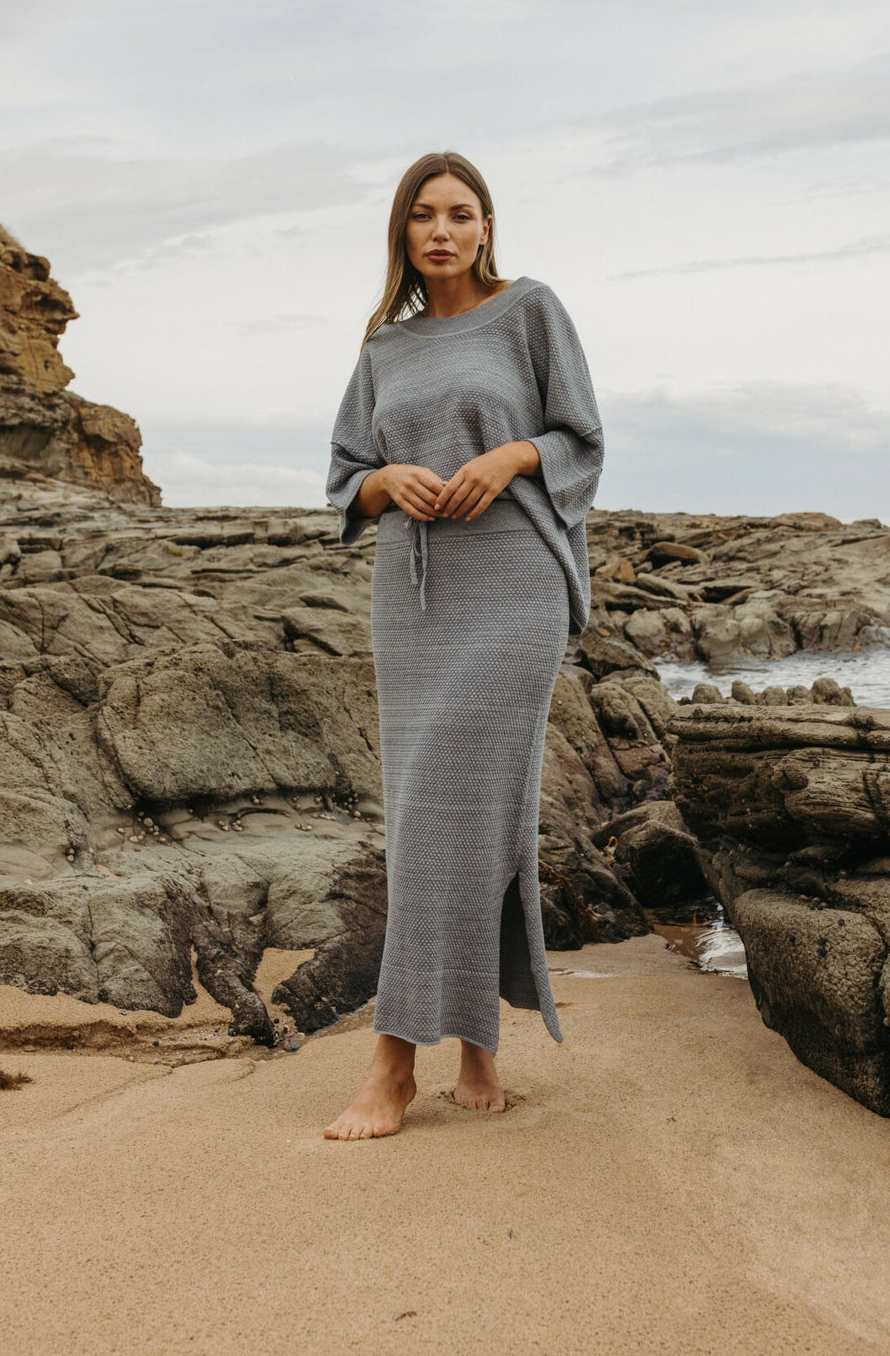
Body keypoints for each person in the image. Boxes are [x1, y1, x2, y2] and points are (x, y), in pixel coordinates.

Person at [323, 151, 604, 1140]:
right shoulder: (383, 348)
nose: (441, 229)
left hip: (513, 583)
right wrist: (387, 482)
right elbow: (344, 475)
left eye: (460, 213)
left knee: (462, 805)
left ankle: (392, 1063)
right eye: (422, 215)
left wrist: (511, 452)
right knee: (429, 815)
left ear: (486, 226)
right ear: (401, 232)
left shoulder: (530, 310)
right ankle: (475, 1042)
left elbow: (582, 437)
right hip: (413, 592)